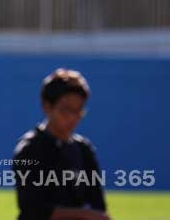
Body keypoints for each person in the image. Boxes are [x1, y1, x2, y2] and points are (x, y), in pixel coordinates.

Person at [12, 68, 109, 220]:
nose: (73, 117)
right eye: (66, 110)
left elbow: (98, 205)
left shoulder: (84, 150)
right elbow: (33, 209)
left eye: (78, 110)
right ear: (47, 106)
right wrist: (83, 214)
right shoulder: (29, 149)